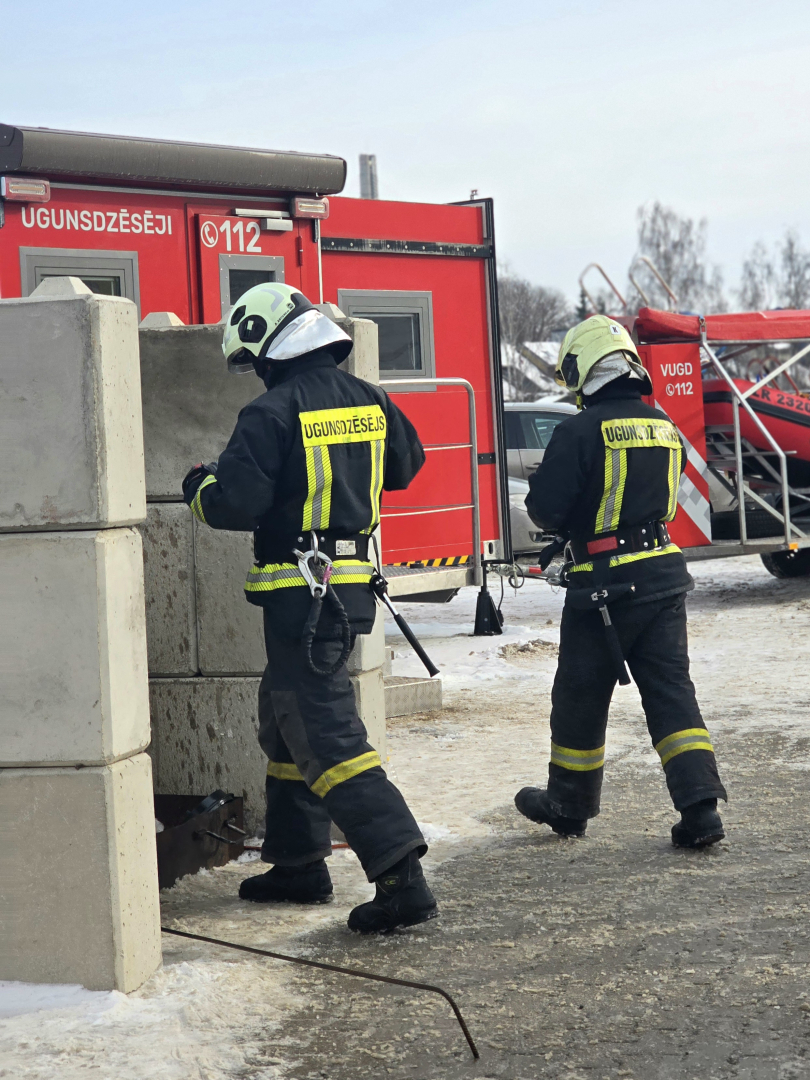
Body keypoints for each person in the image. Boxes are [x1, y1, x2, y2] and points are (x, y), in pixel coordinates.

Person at [182, 283, 437, 932]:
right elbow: (408, 466)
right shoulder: (372, 401)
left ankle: (401, 873)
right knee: (285, 718)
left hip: (301, 600)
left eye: (256, 362)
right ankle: (299, 863)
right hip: (347, 591)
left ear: (271, 349)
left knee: (322, 730)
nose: (258, 375)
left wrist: (198, 485)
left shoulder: (270, 414)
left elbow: (231, 503)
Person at [515, 315, 727, 848]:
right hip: (663, 576)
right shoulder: (663, 425)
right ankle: (702, 810)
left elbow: (544, 510)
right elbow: (666, 502)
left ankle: (568, 806)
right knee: (672, 695)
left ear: (583, 370)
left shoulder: (577, 430)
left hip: (602, 590)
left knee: (580, 697)